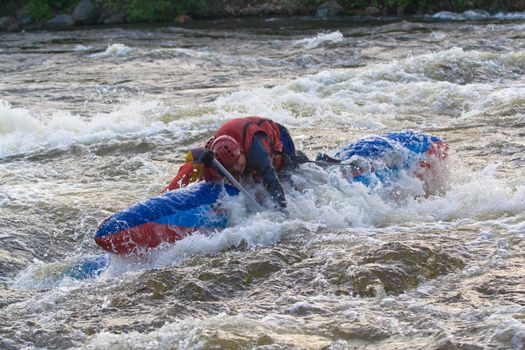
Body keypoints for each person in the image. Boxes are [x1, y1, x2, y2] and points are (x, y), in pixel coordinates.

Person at [163, 116, 306, 210]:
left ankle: (315, 161)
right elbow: (190, 156)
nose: (237, 169)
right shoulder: (211, 156)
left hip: (279, 137)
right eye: (232, 169)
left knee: (289, 174)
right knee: (192, 167)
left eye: (239, 164)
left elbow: (273, 182)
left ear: (242, 153)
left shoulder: (257, 153)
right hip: (237, 142)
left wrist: (282, 211)